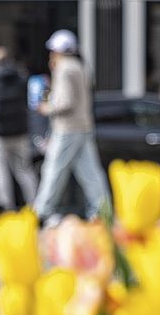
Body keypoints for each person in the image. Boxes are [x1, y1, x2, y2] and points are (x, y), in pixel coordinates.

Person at [31, 30, 109, 225]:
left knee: (53, 170)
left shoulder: (64, 68)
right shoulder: (79, 66)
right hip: (83, 125)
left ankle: (41, 211)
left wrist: (46, 107)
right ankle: (103, 210)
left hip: (66, 128)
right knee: (90, 172)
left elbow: (65, 102)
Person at [0, 47, 37, 211]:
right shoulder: (21, 78)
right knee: (24, 170)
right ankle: (35, 206)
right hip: (21, 132)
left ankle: (6, 209)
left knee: (0, 173)